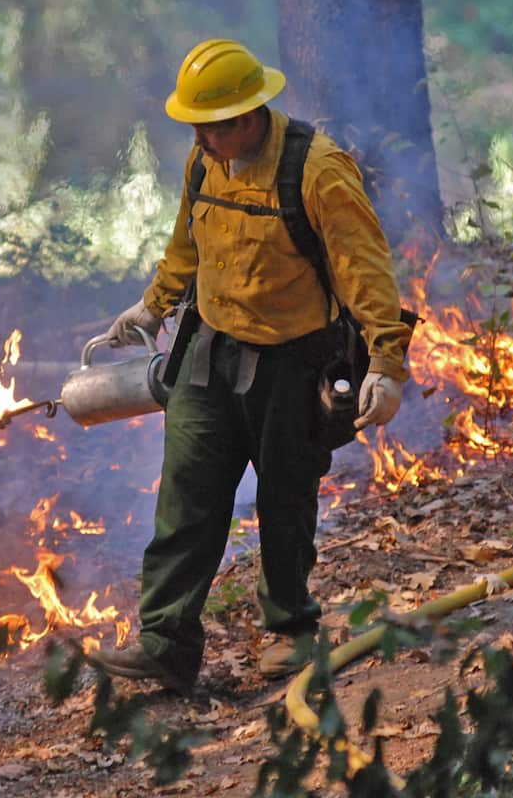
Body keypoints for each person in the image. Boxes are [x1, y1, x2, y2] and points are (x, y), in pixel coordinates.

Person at [87, 39, 413, 693]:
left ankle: (291, 632)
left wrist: (386, 361)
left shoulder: (317, 171)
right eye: (196, 127)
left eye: (213, 126)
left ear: (250, 114)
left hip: (294, 362)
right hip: (208, 350)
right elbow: (188, 241)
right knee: (187, 497)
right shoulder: (205, 162)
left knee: (285, 499)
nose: (203, 137)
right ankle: (166, 643)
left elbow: (365, 268)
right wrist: (153, 308)